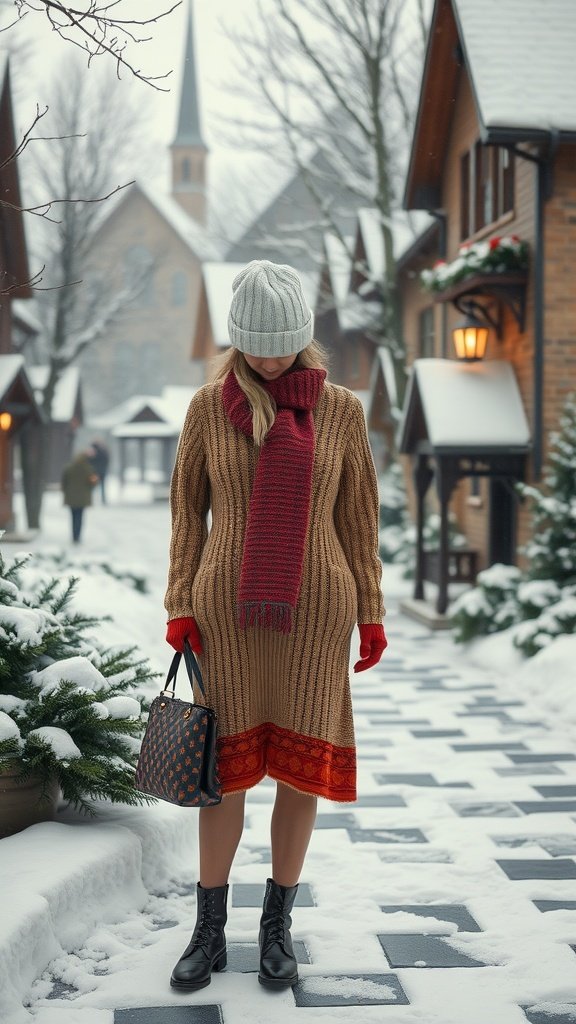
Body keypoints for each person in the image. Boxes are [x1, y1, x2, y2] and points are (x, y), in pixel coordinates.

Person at [164, 259, 387, 993]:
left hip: (316, 614)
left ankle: (276, 924)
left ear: (304, 338)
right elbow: (185, 515)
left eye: (280, 345)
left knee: (299, 773)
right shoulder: (206, 408)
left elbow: (358, 520)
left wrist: (372, 611)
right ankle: (207, 928)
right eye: (253, 346)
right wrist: (179, 604)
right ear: (234, 342)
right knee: (223, 776)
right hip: (226, 615)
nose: (266, 359)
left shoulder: (343, 413)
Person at [61, 450, 99, 544]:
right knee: (80, 517)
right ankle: (77, 536)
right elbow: (93, 481)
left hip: (71, 497)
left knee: (73, 517)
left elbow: (64, 482)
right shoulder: (88, 469)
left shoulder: (69, 468)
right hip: (83, 498)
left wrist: (66, 491)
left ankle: (74, 535)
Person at [88, 440, 110, 504]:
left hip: (95, 473)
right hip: (102, 472)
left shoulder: (93, 452)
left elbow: (90, 462)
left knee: (92, 485)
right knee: (101, 486)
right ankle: (103, 500)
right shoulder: (104, 451)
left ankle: (91, 499)